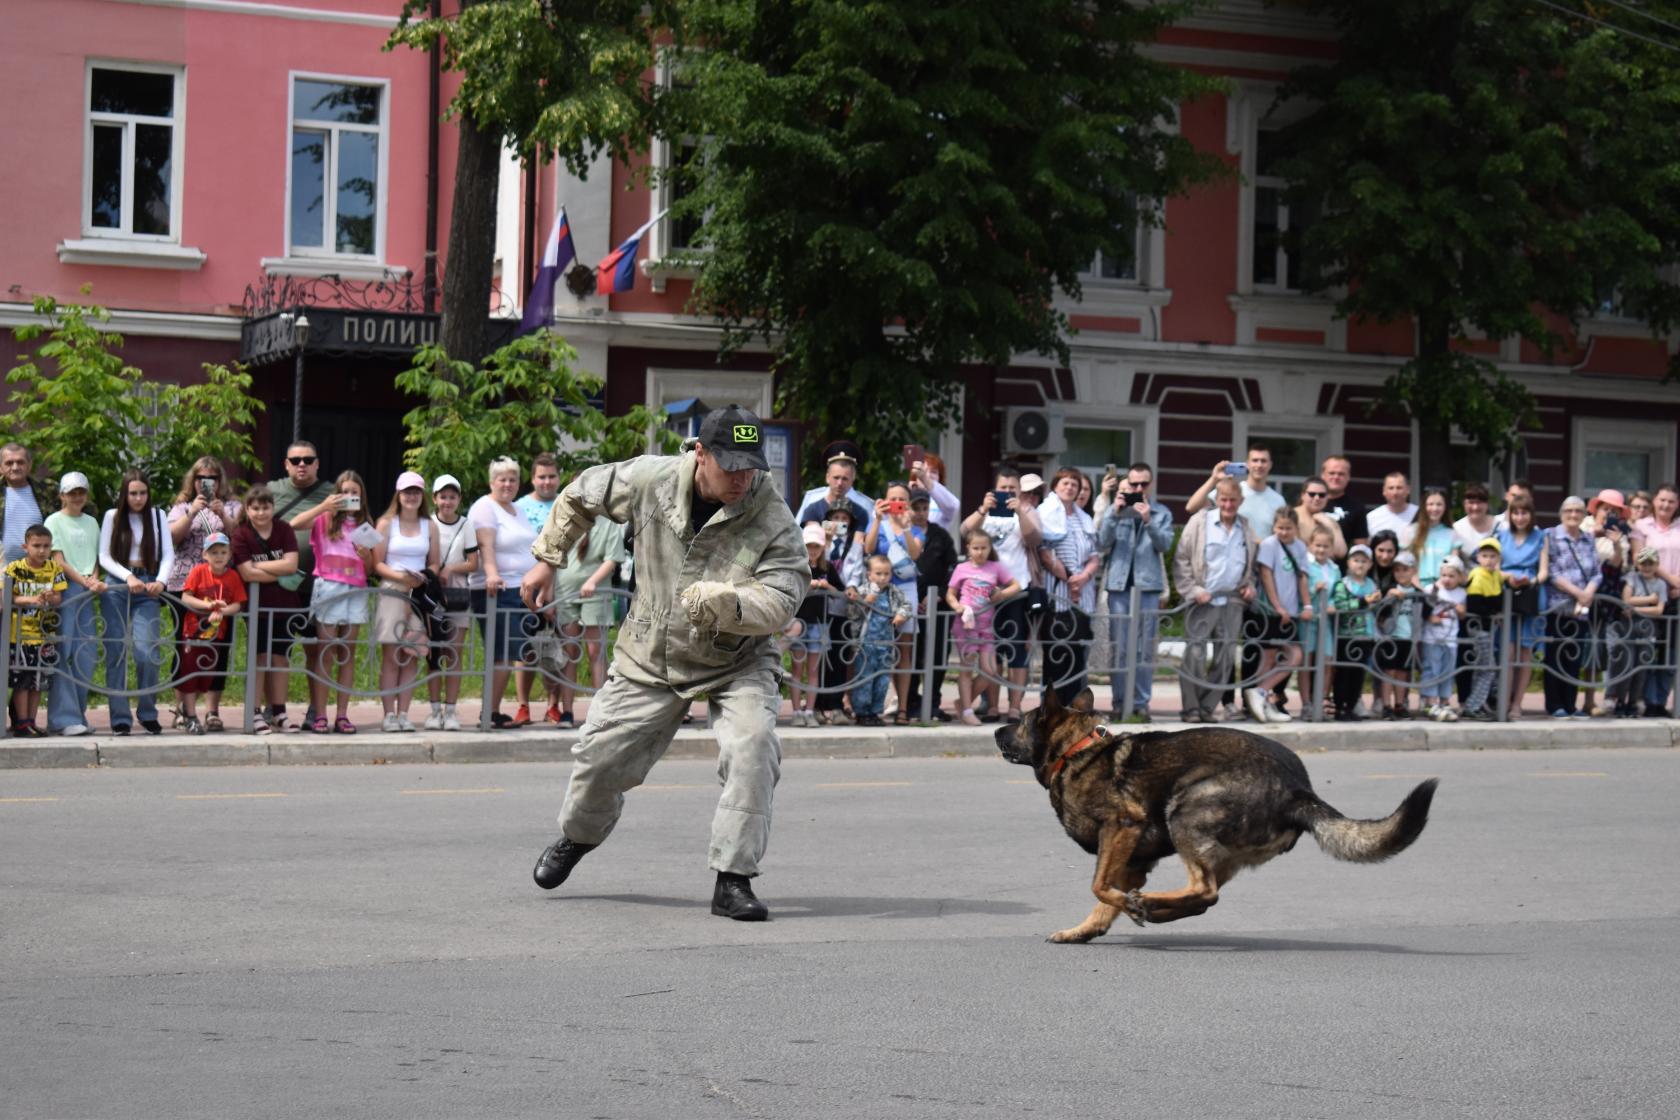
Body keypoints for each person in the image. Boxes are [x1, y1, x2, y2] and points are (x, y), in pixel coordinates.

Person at [524, 405, 807, 921]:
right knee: (598, 760)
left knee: (754, 746)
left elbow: (786, 595)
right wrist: (548, 559)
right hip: (651, 648)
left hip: (737, 656)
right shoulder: (649, 479)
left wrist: (728, 603)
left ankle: (733, 878)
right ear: (700, 454)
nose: (743, 477)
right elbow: (582, 492)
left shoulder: (771, 514)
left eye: (752, 466)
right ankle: (578, 836)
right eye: (730, 465)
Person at [166, 456, 243, 731]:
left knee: (217, 646)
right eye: (201, 478)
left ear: (220, 481)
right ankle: (181, 709)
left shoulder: (233, 506)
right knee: (185, 647)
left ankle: (212, 710)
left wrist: (223, 514)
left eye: (212, 478)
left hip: (222, 584)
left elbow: (241, 537)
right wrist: (192, 513)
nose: (206, 483)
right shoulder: (181, 506)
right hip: (185, 583)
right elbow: (171, 537)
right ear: (193, 480)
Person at [962, 467, 1044, 722]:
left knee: (1017, 651)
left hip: (1017, 592)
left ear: (1019, 491)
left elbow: (1034, 539)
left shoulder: (1027, 511)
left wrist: (1019, 510)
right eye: (1003, 488)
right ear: (994, 489)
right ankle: (993, 706)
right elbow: (965, 532)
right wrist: (983, 509)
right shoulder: (984, 513)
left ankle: (1015, 706)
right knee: (991, 652)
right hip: (985, 594)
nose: (1007, 492)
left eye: (1012, 488)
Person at [1172, 477, 1257, 723]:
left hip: (1232, 601)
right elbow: (1182, 559)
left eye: (1233, 500)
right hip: (1202, 599)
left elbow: (1249, 565)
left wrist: (1249, 585)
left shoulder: (1246, 527)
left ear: (1240, 501)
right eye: (1224, 499)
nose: (1228, 505)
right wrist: (1192, 589)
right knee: (1195, 655)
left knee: (1226, 658)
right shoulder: (1200, 522)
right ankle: (1191, 708)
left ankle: (1208, 708)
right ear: (1216, 500)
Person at [269, 441, 340, 731]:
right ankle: (274, 710)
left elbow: (354, 526)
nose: (302, 464)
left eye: (308, 459)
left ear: (317, 463)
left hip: (320, 585)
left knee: (317, 650)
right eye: (295, 460)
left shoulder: (334, 492)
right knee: (276, 651)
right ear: (286, 464)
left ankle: (317, 709)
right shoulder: (273, 490)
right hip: (281, 584)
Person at [1095, 462, 1173, 721]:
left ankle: (1140, 703)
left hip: (1148, 588)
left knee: (1144, 649)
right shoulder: (1115, 510)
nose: (1139, 488)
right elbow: (1102, 543)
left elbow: (1164, 544)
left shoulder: (1161, 512)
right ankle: (1120, 701)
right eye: (1134, 484)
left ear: (1151, 484)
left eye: (1144, 484)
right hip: (1119, 586)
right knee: (1120, 648)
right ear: (1127, 484)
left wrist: (1149, 520)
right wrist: (1114, 513)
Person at [97, 470, 172, 735]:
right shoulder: (112, 516)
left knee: (147, 652)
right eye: (133, 493)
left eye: (142, 493)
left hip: (149, 586)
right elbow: (104, 556)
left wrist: (161, 582)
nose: (138, 498)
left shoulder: (159, 516)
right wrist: (128, 576)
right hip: (118, 584)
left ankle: (147, 712)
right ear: (124, 494)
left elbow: (167, 555)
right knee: (116, 651)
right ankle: (119, 717)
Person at [471, 458, 541, 729]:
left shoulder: (516, 509)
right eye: (502, 479)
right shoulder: (485, 508)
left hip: (519, 590)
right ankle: (488, 713)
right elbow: (485, 546)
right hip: (496, 590)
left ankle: (494, 710)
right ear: (492, 482)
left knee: (510, 653)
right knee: (500, 652)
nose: (508, 484)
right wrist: (491, 573)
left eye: (512, 479)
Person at [231, 486, 303, 735]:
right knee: (260, 658)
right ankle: (255, 712)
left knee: (281, 659)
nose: (261, 512)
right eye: (255, 508)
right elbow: (246, 573)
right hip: (257, 607)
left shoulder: (284, 529)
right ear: (247, 510)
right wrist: (278, 567)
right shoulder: (240, 534)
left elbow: (292, 565)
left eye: (265, 507)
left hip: (285, 604)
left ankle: (280, 712)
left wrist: (260, 566)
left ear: (272, 507)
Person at [372, 472, 440, 733]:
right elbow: (377, 562)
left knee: (411, 653)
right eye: (406, 491)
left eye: (415, 491)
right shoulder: (386, 523)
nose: (411, 496)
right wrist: (400, 576)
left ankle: (404, 713)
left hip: (418, 592)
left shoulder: (429, 525)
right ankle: (389, 714)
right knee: (391, 654)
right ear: (398, 495)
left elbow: (434, 561)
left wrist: (422, 577)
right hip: (392, 589)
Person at [308, 470, 375, 734]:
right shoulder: (325, 519)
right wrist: (324, 506)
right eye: (345, 492)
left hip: (356, 589)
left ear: (361, 496)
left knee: (347, 653)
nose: (349, 497)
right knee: (326, 652)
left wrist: (366, 555)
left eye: (354, 493)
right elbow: (295, 525)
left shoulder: (365, 523)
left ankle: (343, 714)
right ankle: (321, 714)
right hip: (328, 586)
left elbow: (369, 568)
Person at [552, 505, 628, 730]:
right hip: (564, 592)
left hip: (595, 593)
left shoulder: (608, 523)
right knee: (570, 652)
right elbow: (552, 556)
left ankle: (598, 712)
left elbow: (612, 559)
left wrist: (593, 581)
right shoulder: (565, 519)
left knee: (596, 651)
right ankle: (567, 711)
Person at [44, 471, 104, 737]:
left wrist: (94, 578)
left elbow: (97, 556)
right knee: (64, 652)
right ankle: (62, 718)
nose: (77, 496)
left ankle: (77, 714)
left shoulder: (92, 522)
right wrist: (85, 581)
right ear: (62, 495)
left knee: (86, 655)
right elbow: (58, 560)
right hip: (67, 589)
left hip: (87, 590)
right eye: (71, 492)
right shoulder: (53, 521)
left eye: (81, 491)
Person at [1038, 468, 1101, 707]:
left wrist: (1083, 576)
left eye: (1075, 484)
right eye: (1065, 483)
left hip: (1082, 598)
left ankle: (1075, 708)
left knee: (1077, 655)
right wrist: (1069, 578)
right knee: (1057, 656)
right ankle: (1052, 708)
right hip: (1058, 596)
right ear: (1055, 486)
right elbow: (1044, 553)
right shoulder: (1045, 513)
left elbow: (1094, 555)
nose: (1070, 487)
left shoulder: (1083, 517)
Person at [863, 481, 924, 722]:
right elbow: (868, 549)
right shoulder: (877, 523)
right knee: (877, 645)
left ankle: (903, 708)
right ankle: (874, 703)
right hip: (881, 590)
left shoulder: (915, 528)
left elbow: (915, 553)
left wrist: (907, 528)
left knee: (904, 650)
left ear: (907, 503)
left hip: (906, 590)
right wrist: (877, 519)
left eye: (901, 499)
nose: (897, 503)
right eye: (892, 498)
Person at [175, 531, 246, 734]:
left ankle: (188, 710)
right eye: (213, 552)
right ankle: (190, 715)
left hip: (216, 636)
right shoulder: (198, 572)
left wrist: (222, 610)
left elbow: (238, 605)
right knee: (189, 674)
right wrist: (209, 606)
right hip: (193, 633)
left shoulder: (232, 576)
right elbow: (186, 597)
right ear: (205, 554)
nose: (218, 556)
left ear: (230, 554)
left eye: (223, 552)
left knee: (205, 678)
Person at [947, 528, 1019, 726]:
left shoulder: (995, 567)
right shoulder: (962, 569)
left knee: (990, 670)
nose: (980, 552)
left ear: (989, 549)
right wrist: (957, 606)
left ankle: (963, 703)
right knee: (966, 667)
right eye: (976, 548)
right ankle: (968, 711)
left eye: (984, 548)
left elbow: (1016, 585)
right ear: (968, 548)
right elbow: (950, 593)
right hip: (966, 624)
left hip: (986, 625)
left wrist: (1001, 595)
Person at [512, 453, 563, 726]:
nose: (546, 482)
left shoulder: (565, 505)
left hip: (561, 586)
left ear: (559, 478)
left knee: (554, 650)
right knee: (525, 651)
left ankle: (553, 705)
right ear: (532, 479)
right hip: (526, 588)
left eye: (551, 476)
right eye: (541, 477)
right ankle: (523, 705)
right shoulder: (518, 507)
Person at [424, 474, 477, 731]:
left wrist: (451, 569)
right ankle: (434, 710)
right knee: (434, 652)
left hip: (457, 593)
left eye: (452, 496)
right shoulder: (427, 523)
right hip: (432, 592)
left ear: (459, 499)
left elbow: (473, 562)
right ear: (434, 499)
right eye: (443, 496)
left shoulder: (466, 524)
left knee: (454, 651)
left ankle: (452, 710)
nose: (447, 501)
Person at [1248, 507, 1311, 723]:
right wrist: (1277, 606)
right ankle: (1261, 700)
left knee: (1293, 656)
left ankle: (1261, 693)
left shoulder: (1300, 546)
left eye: (1288, 528)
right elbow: (1266, 574)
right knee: (1269, 657)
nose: (1283, 532)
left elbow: (1302, 576)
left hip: (1291, 610)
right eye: (1280, 527)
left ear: (1296, 528)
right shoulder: (1269, 544)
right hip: (1271, 611)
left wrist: (1307, 605)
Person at [1542, 496, 1601, 720]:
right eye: (1569, 511)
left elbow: (1597, 571)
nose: (1573, 515)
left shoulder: (1588, 539)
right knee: (1555, 655)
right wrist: (1578, 593)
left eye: (1578, 511)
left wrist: (1589, 592)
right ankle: (1554, 704)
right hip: (1558, 607)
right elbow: (1552, 572)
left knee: (1574, 658)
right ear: (1561, 513)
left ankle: (1570, 704)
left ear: (1584, 514)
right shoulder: (1551, 536)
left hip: (1582, 608)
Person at [6, 525, 66, 737]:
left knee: (38, 682)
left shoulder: (54, 569)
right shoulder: (13, 569)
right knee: (21, 681)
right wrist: (30, 599)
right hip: (20, 634)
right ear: (25, 546)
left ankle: (31, 721)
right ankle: (21, 723)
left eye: (46, 546)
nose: (41, 550)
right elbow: (8, 598)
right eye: (36, 546)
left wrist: (51, 599)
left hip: (45, 634)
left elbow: (59, 597)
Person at [905, 486, 958, 722]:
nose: (920, 512)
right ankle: (910, 704)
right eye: (915, 508)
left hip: (938, 606)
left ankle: (933, 703)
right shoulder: (903, 532)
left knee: (937, 656)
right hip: (910, 606)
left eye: (924, 508)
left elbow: (952, 567)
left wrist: (941, 595)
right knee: (912, 655)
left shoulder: (940, 535)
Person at [808, 503, 864, 724]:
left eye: (844, 518)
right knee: (819, 657)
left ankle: (836, 703)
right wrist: (827, 540)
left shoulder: (856, 546)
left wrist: (852, 587)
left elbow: (856, 571)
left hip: (842, 608)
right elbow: (821, 565)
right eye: (835, 517)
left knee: (840, 655)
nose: (840, 522)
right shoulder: (819, 545)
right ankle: (817, 705)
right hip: (820, 609)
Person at [1631, 483, 1680, 717]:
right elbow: (1638, 558)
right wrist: (1670, 580)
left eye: (1671, 501)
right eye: (1662, 500)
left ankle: (1661, 701)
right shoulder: (1642, 527)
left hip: (1676, 597)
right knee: (1650, 648)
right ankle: (1648, 701)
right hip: (1650, 595)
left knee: (1672, 652)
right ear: (1654, 501)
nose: (1666, 505)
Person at [846, 554, 913, 725]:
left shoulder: (893, 592)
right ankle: (861, 712)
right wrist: (864, 602)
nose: (882, 578)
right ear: (869, 574)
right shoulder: (862, 590)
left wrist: (901, 615)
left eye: (886, 574)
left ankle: (875, 712)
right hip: (865, 644)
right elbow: (851, 613)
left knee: (882, 679)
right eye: (878, 573)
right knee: (864, 678)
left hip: (885, 644)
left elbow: (907, 605)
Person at [790, 523, 844, 726]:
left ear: (822, 548)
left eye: (816, 546)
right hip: (798, 622)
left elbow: (840, 592)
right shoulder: (796, 566)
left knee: (813, 670)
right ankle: (796, 711)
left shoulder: (827, 568)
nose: (812, 550)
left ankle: (810, 711)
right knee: (797, 668)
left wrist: (826, 585)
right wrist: (807, 584)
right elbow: (789, 588)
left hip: (819, 624)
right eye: (809, 546)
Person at [1497, 496, 1547, 717]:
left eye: (1524, 513)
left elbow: (1544, 571)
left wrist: (1531, 580)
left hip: (1530, 593)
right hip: (1507, 593)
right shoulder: (1501, 535)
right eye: (1515, 513)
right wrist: (1508, 577)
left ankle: (1518, 703)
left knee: (1525, 651)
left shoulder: (1541, 537)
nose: (1520, 517)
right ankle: (1504, 701)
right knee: (1508, 651)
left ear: (1531, 514)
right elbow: (1495, 567)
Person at [1184, 445, 1288, 542]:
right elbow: (1192, 507)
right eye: (1255, 460)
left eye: (1263, 461)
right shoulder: (1233, 491)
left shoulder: (1278, 501)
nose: (1259, 465)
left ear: (1270, 465)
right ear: (1247, 464)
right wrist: (1214, 479)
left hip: (1263, 559)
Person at [1462, 537, 1515, 721]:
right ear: (1478, 557)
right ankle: (1473, 705)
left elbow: (1503, 579)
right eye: (1485, 556)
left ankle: (1481, 704)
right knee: (1488, 668)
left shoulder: (1493, 575)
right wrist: (1493, 614)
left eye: (1493, 556)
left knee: (1485, 667)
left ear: (1498, 558)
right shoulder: (1478, 575)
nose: (1489, 560)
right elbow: (1474, 605)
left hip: (1486, 628)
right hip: (1479, 628)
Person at [1612, 547, 1667, 717]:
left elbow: (1659, 610)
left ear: (1656, 564)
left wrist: (1635, 608)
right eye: (1644, 563)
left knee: (1641, 668)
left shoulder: (1660, 584)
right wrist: (1649, 600)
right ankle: (1620, 700)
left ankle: (1633, 702)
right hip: (1629, 627)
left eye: (1651, 563)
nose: (1647, 567)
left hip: (1648, 628)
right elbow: (1626, 599)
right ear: (1638, 564)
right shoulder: (1632, 577)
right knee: (1626, 665)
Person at [1330, 544, 1380, 722]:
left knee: (1358, 674)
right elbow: (1341, 606)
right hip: (1347, 636)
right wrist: (1363, 602)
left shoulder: (1371, 584)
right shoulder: (1343, 585)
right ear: (1349, 562)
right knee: (1344, 673)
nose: (1359, 565)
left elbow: (1375, 607)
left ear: (1370, 564)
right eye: (1356, 560)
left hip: (1365, 635)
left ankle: (1351, 706)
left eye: (1363, 561)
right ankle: (1340, 706)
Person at [1375, 550, 1421, 719]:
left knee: (1403, 673)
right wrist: (1389, 597)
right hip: (1390, 637)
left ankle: (1399, 705)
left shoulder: (1417, 592)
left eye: (1405, 569)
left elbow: (1428, 609)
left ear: (1413, 571)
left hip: (1408, 638)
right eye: (1397, 570)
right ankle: (1386, 705)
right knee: (1389, 672)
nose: (1401, 573)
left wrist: (1421, 590)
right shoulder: (1390, 589)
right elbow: (1380, 611)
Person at [1420, 557, 1467, 721]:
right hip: (1432, 638)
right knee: (1432, 669)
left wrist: (1461, 611)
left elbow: (1463, 615)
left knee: (1447, 670)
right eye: (1444, 575)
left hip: (1450, 639)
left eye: (1452, 576)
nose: (1447, 579)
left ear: (1460, 577)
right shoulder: (1431, 589)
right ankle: (1430, 701)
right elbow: (1424, 610)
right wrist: (1430, 617)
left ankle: (1445, 700)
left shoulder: (1461, 593)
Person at [1299, 524, 1341, 705]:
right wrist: (1313, 590)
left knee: (1327, 659)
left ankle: (1322, 700)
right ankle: (1307, 703)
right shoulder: (1306, 565)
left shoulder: (1334, 569)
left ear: (1331, 548)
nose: (1321, 549)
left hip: (1326, 620)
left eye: (1325, 546)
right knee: (1306, 662)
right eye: (1318, 545)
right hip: (1309, 618)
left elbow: (1338, 592)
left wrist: (1332, 605)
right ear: (1310, 545)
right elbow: (1300, 590)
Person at [797, 441, 875, 532]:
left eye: (845, 479)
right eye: (836, 477)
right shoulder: (812, 500)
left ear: (853, 479)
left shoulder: (864, 506)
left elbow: (868, 539)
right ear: (827, 477)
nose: (839, 483)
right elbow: (797, 531)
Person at [2, 443, 51, 565]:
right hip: (5, 570)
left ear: (29, 465)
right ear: (0, 467)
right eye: (9, 463)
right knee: (7, 585)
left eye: (20, 462)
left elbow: (81, 508)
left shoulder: (48, 490)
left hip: (41, 569)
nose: (15, 467)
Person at [1319, 455, 1369, 546]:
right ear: (1323, 475)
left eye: (1341, 474)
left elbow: (1361, 547)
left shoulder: (1357, 508)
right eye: (1331, 473)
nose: (1336, 477)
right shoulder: (1312, 503)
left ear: (1348, 477)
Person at [1293, 476, 1346, 559]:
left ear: (1327, 497)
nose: (1317, 498)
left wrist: (1330, 525)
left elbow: (1340, 552)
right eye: (1312, 494)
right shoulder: (1292, 516)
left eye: (1322, 495)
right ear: (1303, 495)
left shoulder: (1329, 521)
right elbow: (1291, 548)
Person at [1412, 488, 1456, 587]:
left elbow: (1454, 565)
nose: (1435, 508)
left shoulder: (1452, 534)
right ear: (1424, 506)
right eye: (1430, 504)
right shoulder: (1412, 531)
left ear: (1445, 507)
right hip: (1416, 588)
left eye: (1439, 504)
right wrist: (1419, 587)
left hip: (1444, 587)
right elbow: (1407, 562)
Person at [907, 451, 961, 532]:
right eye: (924, 471)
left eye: (934, 472)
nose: (928, 475)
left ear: (940, 477)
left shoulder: (943, 501)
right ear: (915, 476)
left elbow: (953, 506)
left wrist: (925, 479)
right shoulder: (906, 495)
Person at [1365, 472, 1418, 548]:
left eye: (1399, 488)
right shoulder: (1371, 517)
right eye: (1391, 488)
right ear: (1384, 491)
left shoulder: (1419, 514)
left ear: (1408, 490)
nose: (1395, 492)